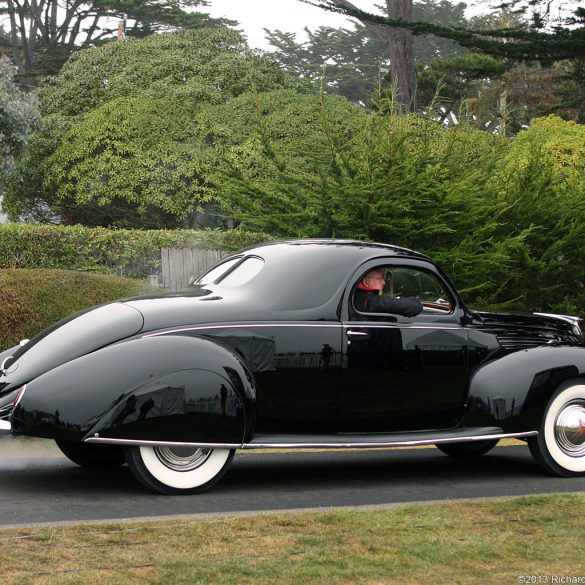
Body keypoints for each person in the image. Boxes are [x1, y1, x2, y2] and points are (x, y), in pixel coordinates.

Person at [353, 269, 423, 317]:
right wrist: (412, 301)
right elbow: (416, 307)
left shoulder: (355, 297)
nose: (384, 282)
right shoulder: (369, 301)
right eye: (380, 278)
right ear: (366, 281)